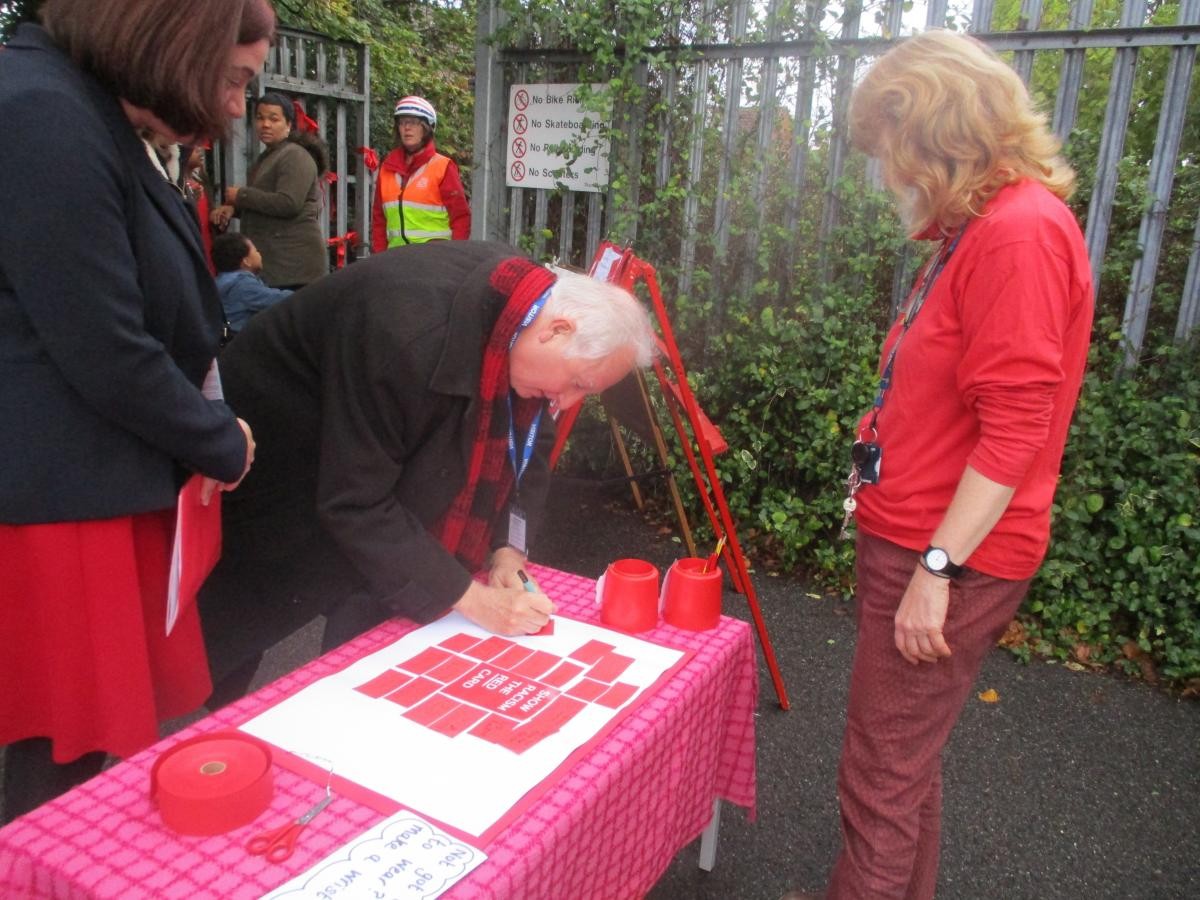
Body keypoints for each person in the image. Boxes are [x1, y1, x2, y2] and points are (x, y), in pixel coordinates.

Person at [781, 31, 1094, 900]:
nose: (890, 178)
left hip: (943, 553)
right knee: (901, 766)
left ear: (935, 135)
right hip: (920, 542)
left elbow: (1017, 427)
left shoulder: (1019, 235)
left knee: (877, 779)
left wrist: (937, 567)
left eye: (893, 156)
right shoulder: (985, 229)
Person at [0, 0, 269, 823]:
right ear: (174, 40)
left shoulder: (78, 105)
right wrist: (218, 440)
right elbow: (103, 344)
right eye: (232, 79)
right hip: (61, 498)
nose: (234, 106)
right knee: (63, 768)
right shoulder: (44, 111)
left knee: (81, 761)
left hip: (84, 482)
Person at [199, 241, 655, 701]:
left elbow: (528, 451)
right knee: (223, 648)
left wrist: (508, 549)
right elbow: (356, 502)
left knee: (371, 632)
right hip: (261, 472)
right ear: (557, 329)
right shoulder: (404, 329)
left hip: (354, 471)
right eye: (577, 383)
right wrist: (476, 602)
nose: (567, 401)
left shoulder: (522, 318)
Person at [211, 92, 328, 288]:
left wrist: (241, 196)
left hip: (293, 266)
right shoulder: (270, 156)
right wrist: (234, 209)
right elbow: (268, 201)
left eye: (274, 119)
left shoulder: (295, 156)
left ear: (289, 125)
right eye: (260, 118)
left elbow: (288, 203)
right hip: (278, 265)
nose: (265, 124)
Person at [369, 95, 470, 251]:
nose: (407, 127)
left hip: (433, 258)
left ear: (427, 127)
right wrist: (379, 257)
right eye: (402, 122)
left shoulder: (443, 167)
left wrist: (454, 257)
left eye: (414, 122)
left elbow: (460, 218)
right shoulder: (386, 169)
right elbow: (379, 220)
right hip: (395, 259)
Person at [212, 232, 292, 333]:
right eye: (256, 251)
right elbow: (277, 299)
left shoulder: (220, 282)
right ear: (246, 261)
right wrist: (306, 294)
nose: (259, 254)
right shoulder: (243, 285)